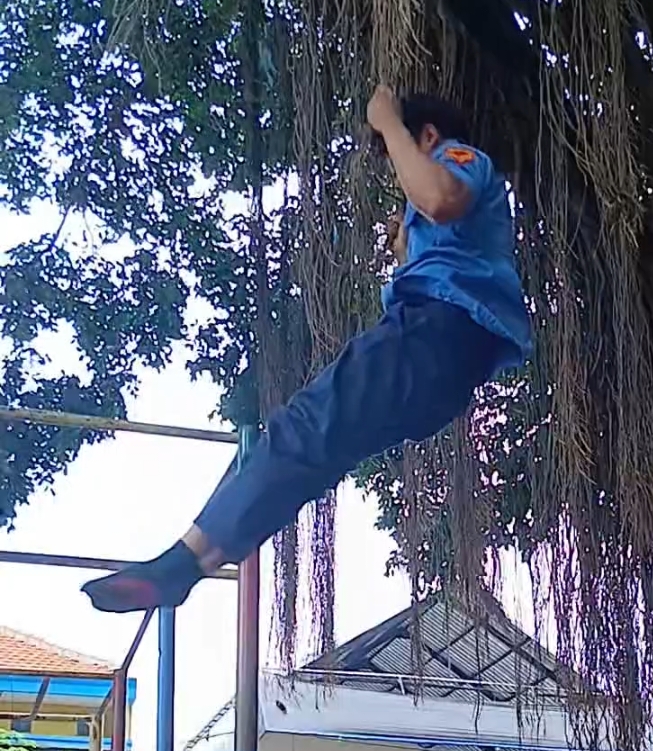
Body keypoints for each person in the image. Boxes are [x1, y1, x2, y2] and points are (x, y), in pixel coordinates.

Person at [81, 86, 531, 614]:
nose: (398, 174)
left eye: (401, 153)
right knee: (313, 453)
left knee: (301, 430)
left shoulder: (458, 157)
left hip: (433, 334)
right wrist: (409, 239)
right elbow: (439, 218)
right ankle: (193, 562)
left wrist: (387, 121)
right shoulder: (441, 213)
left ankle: (186, 562)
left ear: (426, 136)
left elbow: (438, 198)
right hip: (443, 366)